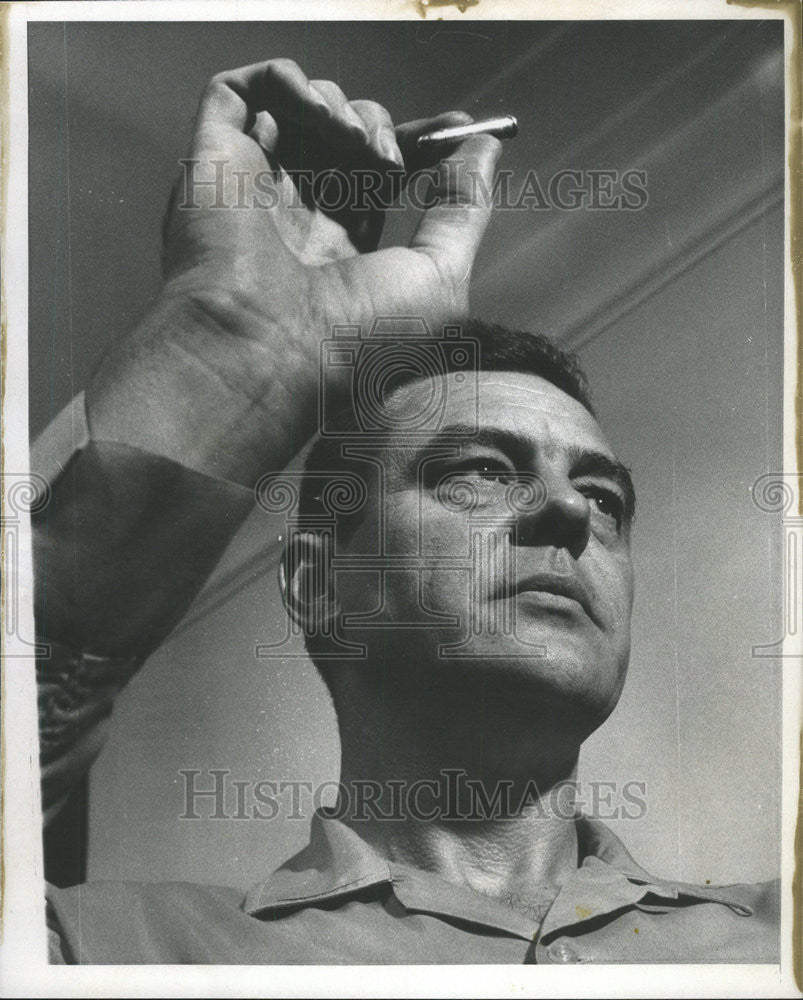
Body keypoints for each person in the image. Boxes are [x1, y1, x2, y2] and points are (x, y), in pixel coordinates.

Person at [33, 58, 778, 964]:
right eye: (479, 472)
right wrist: (232, 348)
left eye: (603, 496)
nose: (568, 515)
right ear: (317, 585)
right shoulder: (106, 953)